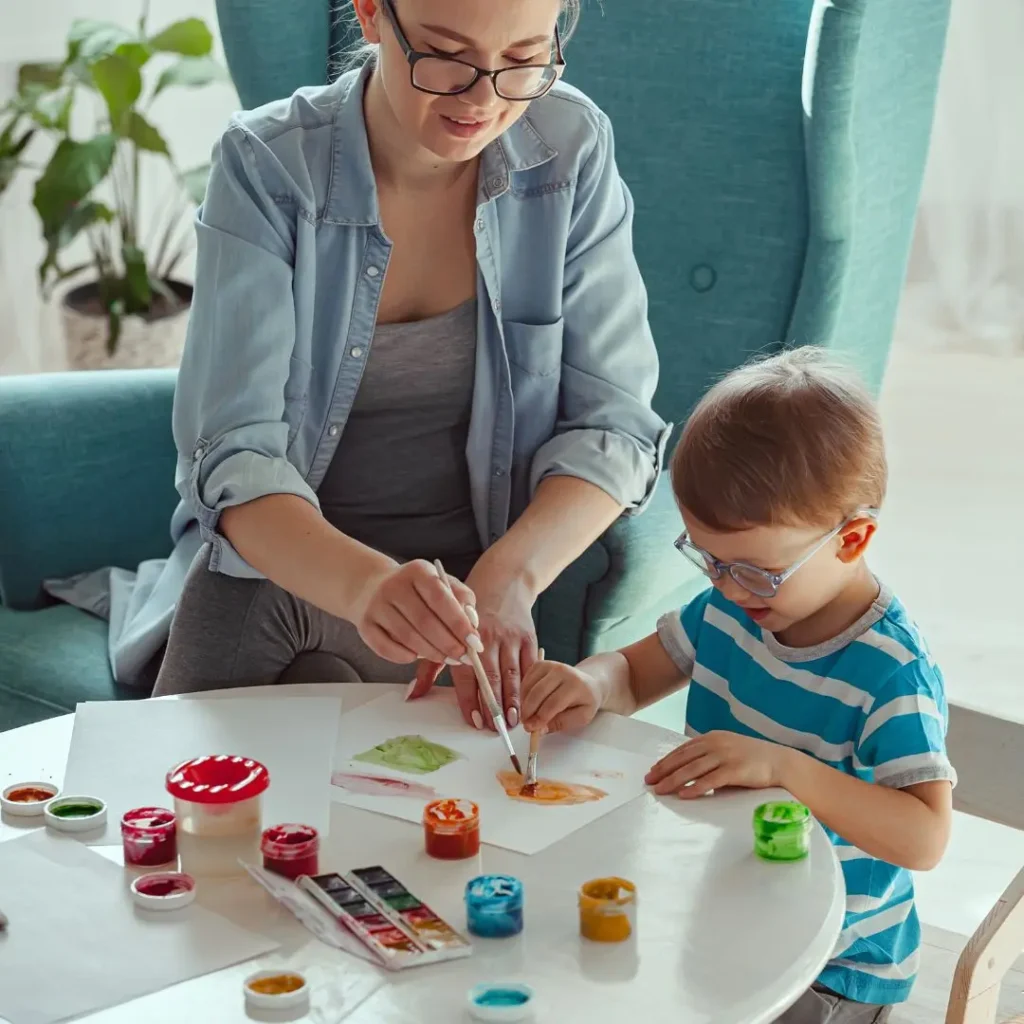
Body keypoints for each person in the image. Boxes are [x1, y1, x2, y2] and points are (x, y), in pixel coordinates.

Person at [150, 0, 669, 731]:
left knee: (329, 728)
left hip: (479, 588)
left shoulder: (568, 147)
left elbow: (614, 426)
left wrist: (507, 578)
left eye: (523, 60)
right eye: (446, 57)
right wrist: (369, 588)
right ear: (370, 14)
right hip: (302, 568)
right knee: (247, 600)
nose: (483, 100)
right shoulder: (270, 166)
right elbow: (233, 459)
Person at [520, 347, 955, 1023]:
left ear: (852, 539)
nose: (723, 585)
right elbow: (634, 673)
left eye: (753, 569)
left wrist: (785, 769)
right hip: (722, 914)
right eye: (708, 559)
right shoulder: (732, 606)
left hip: (834, 964)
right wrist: (586, 681)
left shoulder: (890, 671)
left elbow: (925, 838)